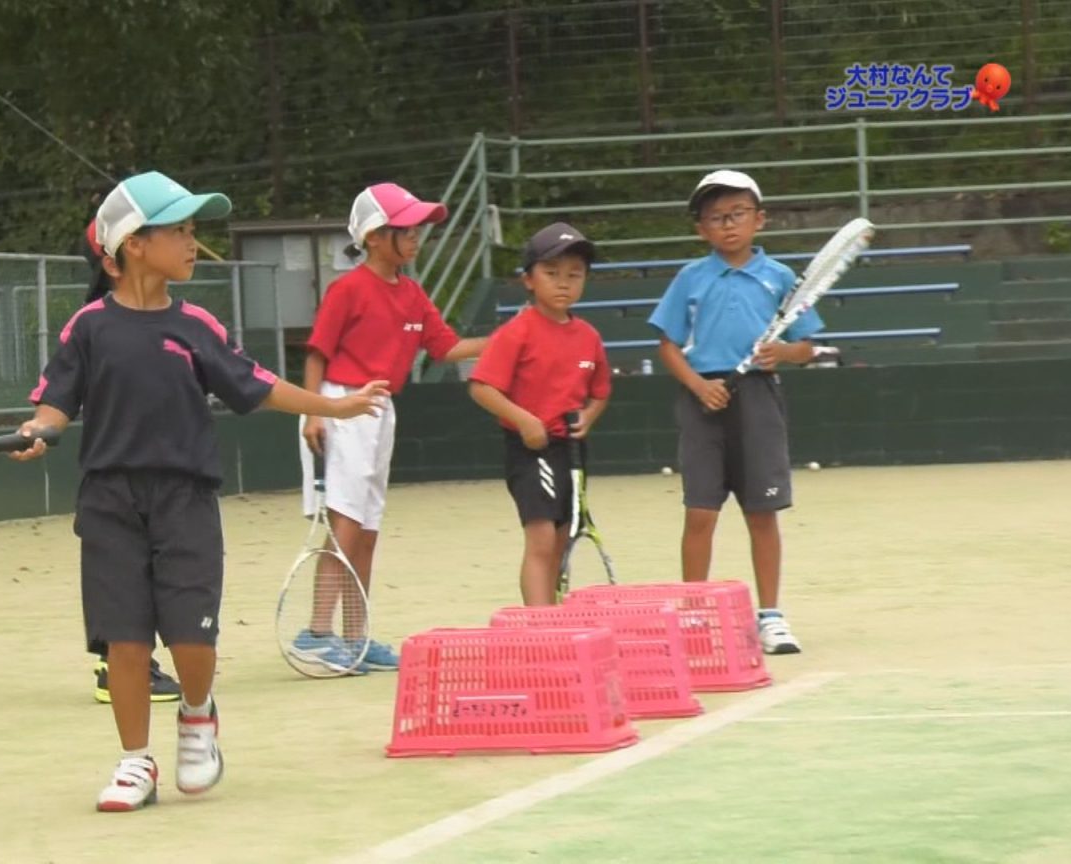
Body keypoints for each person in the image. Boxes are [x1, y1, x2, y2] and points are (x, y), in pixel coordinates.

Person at [11, 171, 388, 811]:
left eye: (192, 230)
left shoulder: (197, 326)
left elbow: (259, 384)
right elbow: (55, 404)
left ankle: (197, 714)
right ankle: (134, 762)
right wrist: (37, 430)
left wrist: (341, 405)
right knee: (125, 642)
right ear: (134, 244)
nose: (193, 243)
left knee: (192, 640)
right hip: (109, 505)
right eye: (180, 231)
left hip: (185, 502)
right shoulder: (88, 327)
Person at [296, 182, 488, 673]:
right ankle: (317, 634)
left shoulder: (413, 294)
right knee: (345, 521)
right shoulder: (349, 289)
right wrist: (316, 411)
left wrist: (508, 339)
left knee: (369, 527)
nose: (418, 235)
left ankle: (355, 638)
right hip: (342, 404)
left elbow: (446, 347)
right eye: (407, 228)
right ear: (376, 237)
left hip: (381, 412)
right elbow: (317, 353)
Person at [645, 169, 824, 655]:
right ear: (701, 229)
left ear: (759, 220)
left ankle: (771, 618)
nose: (727, 225)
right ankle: (695, 615)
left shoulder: (781, 277)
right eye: (715, 218)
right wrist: (699, 386)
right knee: (699, 512)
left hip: (760, 399)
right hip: (704, 401)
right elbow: (667, 345)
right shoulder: (690, 278)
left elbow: (807, 345)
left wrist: (781, 354)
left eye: (737, 215)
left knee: (762, 512)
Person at [467, 223, 611, 606]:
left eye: (574, 275)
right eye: (551, 274)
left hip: (573, 453)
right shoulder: (516, 332)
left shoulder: (589, 337)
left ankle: (553, 623)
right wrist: (525, 421)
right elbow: (481, 387)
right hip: (529, 451)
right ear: (528, 280)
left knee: (561, 539)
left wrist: (590, 417)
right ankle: (539, 629)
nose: (563, 283)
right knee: (542, 538)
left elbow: (599, 393)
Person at [76, 219, 182, 706]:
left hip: (160, 477)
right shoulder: (96, 322)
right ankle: (112, 666)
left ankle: (125, 660)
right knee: (121, 572)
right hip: (115, 478)